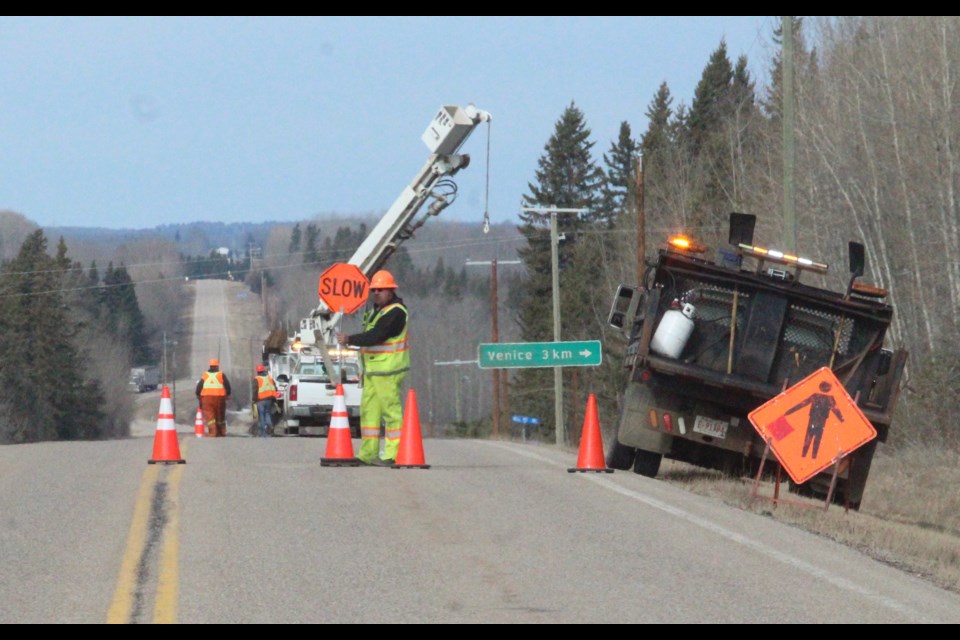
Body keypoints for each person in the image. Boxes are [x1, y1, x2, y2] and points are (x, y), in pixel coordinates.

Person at [336, 269, 409, 466]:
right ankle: (368, 454)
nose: (376, 293)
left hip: (388, 370)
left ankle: (394, 453)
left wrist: (350, 339)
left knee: (391, 412)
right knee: (369, 412)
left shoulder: (396, 313)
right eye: (374, 290)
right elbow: (370, 335)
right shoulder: (378, 311)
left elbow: (377, 335)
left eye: (381, 289)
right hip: (373, 372)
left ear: (391, 291)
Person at [196, 357, 232, 437]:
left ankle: (213, 432)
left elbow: (199, 386)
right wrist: (228, 394)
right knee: (220, 414)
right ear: (217, 366)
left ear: (210, 366)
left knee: (210, 415)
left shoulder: (205, 375)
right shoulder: (221, 374)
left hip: (207, 398)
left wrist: (198, 394)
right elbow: (227, 385)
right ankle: (221, 432)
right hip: (220, 398)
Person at [252, 363, 277, 438]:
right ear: (264, 371)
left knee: (261, 415)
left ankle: (263, 432)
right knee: (267, 413)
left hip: (261, 400)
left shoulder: (257, 379)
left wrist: (254, 400)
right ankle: (270, 426)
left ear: (257, 371)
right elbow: (275, 387)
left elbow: (255, 390)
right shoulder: (269, 378)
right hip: (269, 399)